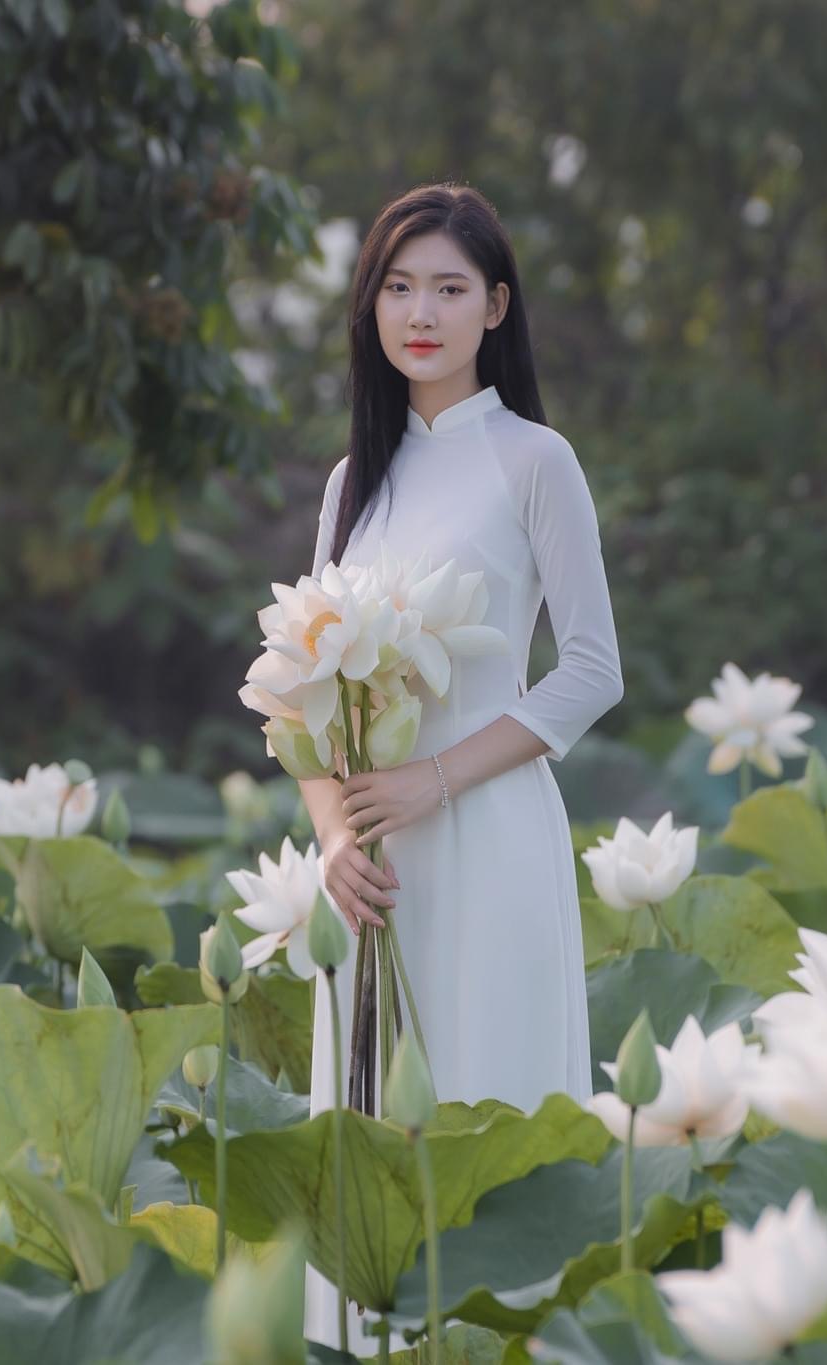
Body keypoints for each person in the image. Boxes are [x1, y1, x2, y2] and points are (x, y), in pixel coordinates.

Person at [291, 181, 627, 1351]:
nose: (419, 311)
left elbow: (589, 670)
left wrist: (434, 782)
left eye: (446, 288)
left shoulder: (535, 461)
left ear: (495, 307)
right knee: (371, 1158)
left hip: (485, 840)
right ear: (369, 308)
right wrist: (334, 835)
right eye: (397, 286)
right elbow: (299, 692)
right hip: (371, 876)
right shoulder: (351, 484)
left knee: (493, 1117)